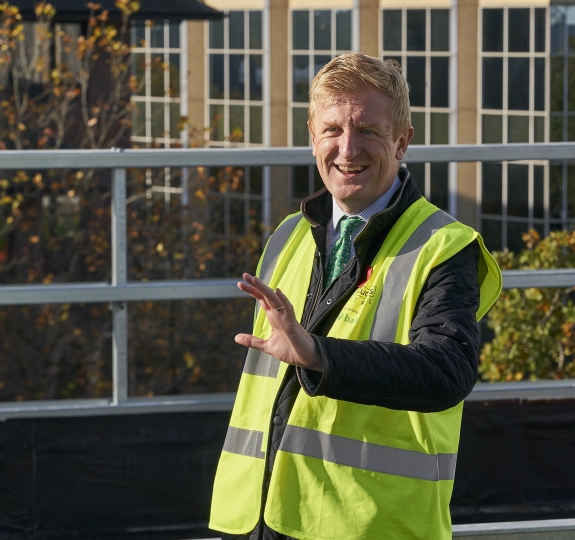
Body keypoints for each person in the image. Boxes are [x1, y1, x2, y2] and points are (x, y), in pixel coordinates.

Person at [209, 53, 501, 540]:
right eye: (332, 130)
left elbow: (446, 371)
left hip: (370, 525)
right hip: (260, 518)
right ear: (312, 136)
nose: (347, 149)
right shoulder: (288, 236)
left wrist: (318, 355)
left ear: (402, 141)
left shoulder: (444, 247)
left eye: (367, 130)